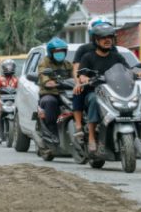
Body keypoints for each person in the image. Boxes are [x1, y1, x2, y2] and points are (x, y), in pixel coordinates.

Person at [77, 23, 127, 154]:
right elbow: (81, 74)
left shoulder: (117, 57)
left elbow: (127, 70)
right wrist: (84, 78)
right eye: (103, 37)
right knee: (94, 99)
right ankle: (92, 138)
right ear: (96, 40)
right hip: (94, 92)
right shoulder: (88, 57)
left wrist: (136, 73)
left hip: (115, 93)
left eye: (110, 37)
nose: (107, 40)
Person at [71, 17, 110, 140]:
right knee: (79, 91)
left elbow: (122, 67)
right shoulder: (84, 50)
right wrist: (78, 82)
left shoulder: (112, 50)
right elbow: (77, 68)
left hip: (109, 86)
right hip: (91, 86)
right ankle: (79, 125)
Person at [37, 38, 73, 139]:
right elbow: (44, 76)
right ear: (50, 52)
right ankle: (52, 131)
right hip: (50, 93)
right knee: (50, 101)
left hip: (67, 93)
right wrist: (49, 82)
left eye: (62, 51)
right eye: (57, 52)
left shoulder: (68, 64)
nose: (60, 54)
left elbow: (75, 76)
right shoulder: (44, 63)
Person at [0, 59, 18, 141]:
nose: (9, 69)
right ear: (4, 68)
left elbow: (20, 88)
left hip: (14, 100)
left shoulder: (16, 79)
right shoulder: (1, 79)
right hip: (3, 100)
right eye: (7, 67)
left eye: (10, 67)